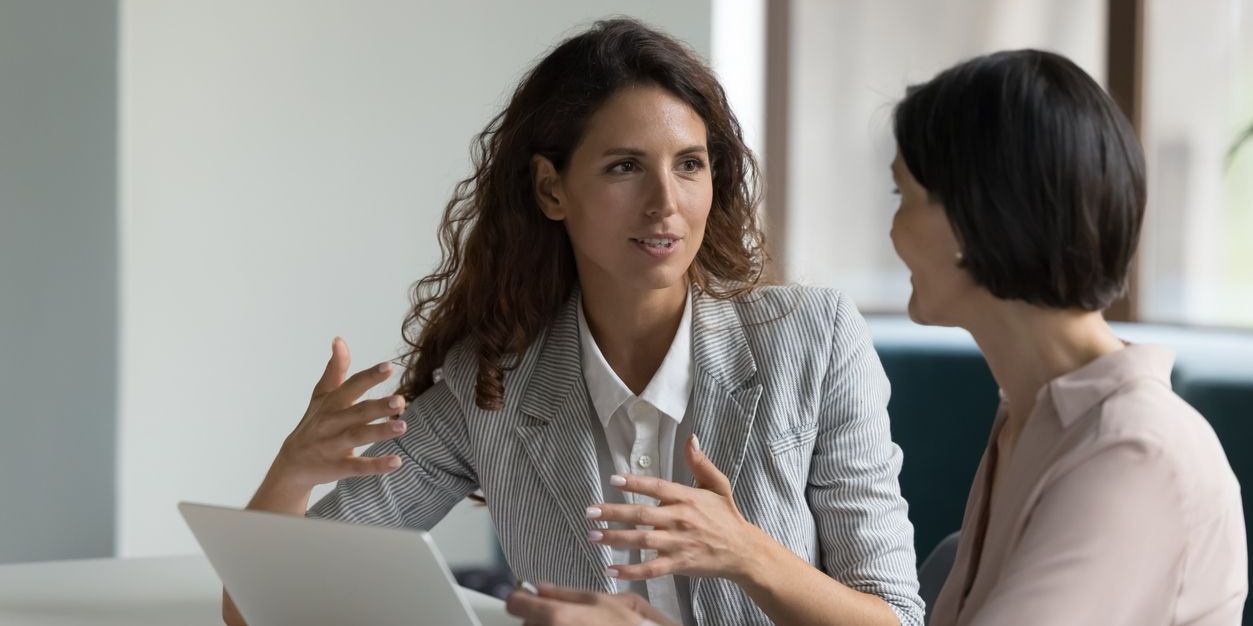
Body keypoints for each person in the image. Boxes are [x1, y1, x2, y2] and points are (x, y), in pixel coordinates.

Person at [222, 18, 924, 626]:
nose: (665, 204)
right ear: (551, 189)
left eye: (689, 165)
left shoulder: (813, 338)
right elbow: (263, 611)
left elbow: (893, 618)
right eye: (624, 167)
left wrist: (749, 556)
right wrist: (292, 473)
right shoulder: (488, 386)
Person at [508, 49, 1248, 626]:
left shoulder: (1130, 453)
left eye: (904, 196)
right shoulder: (1032, 422)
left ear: (974, 220)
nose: (890, 228)